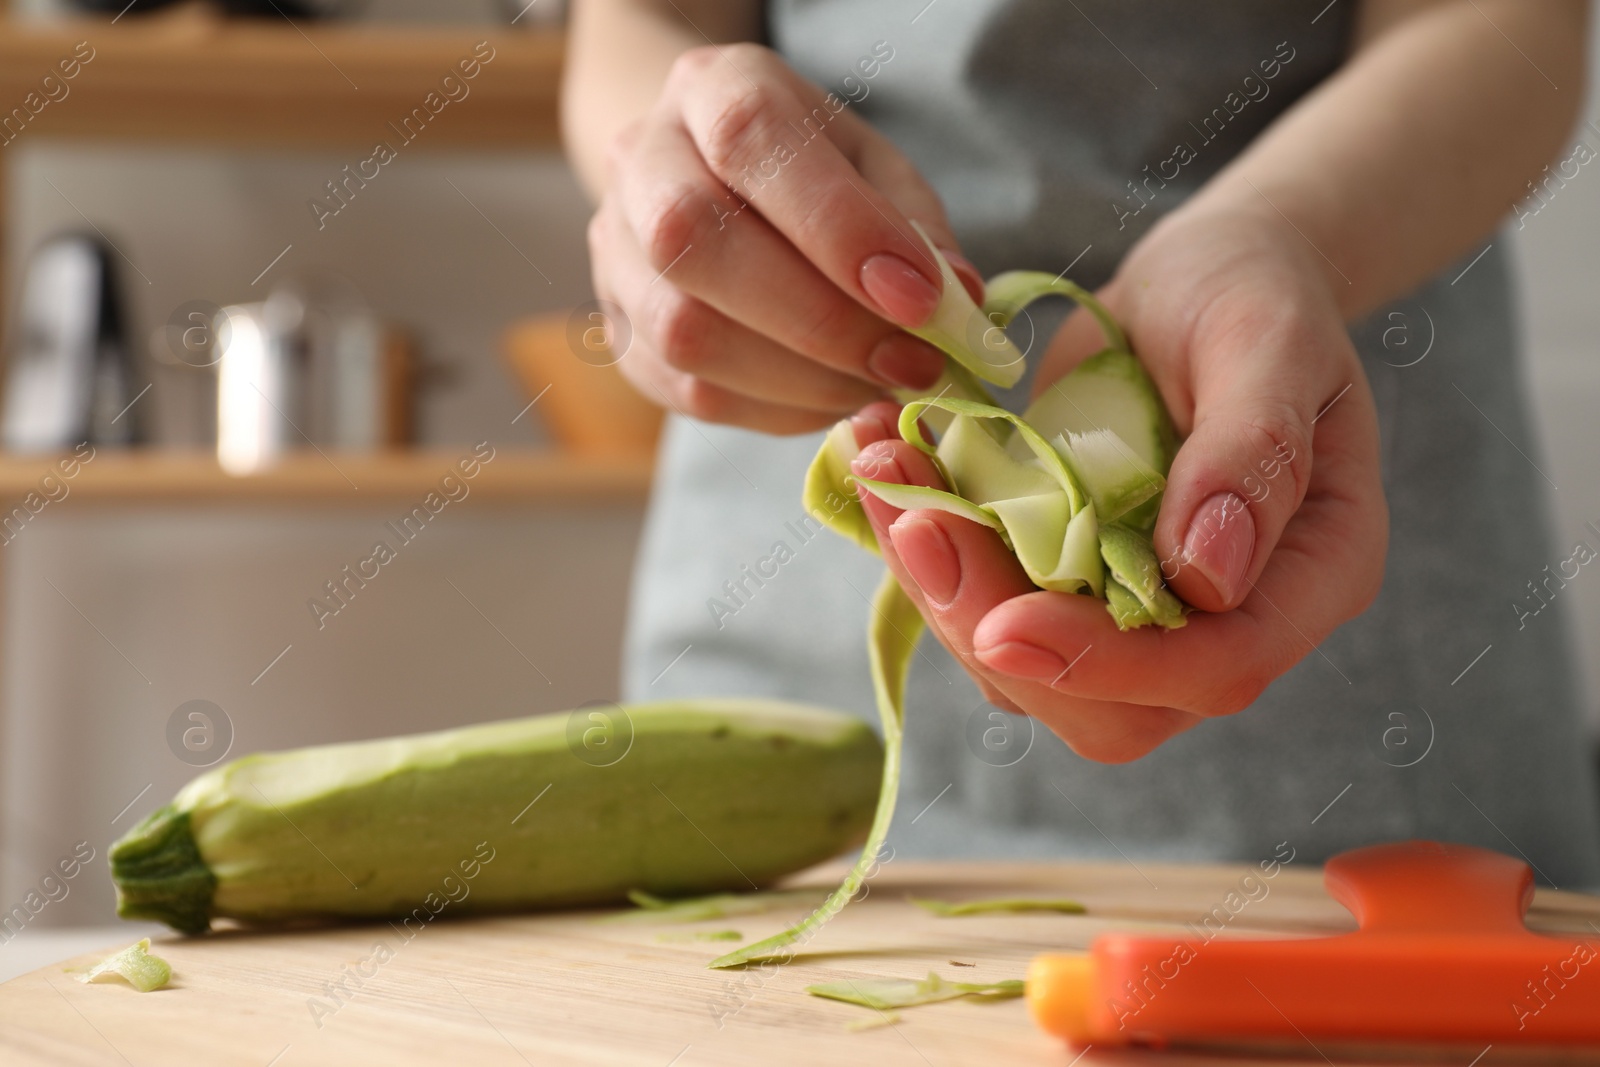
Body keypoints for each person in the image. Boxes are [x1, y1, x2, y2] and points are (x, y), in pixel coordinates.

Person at [563, 0, 1600, 886]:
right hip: (775, 636)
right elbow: (639, 21)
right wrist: (674, 170)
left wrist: (1281, 235)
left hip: (1344, 675)